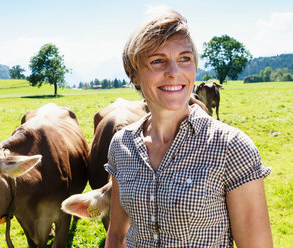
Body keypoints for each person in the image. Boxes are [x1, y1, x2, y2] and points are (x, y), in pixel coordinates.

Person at [104, 9, 273, 247]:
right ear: (134, 75)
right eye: (157, 61)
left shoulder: (231, 147)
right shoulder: (122, 145)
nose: (174, 73)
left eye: (185, 59)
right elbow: (116, 235)